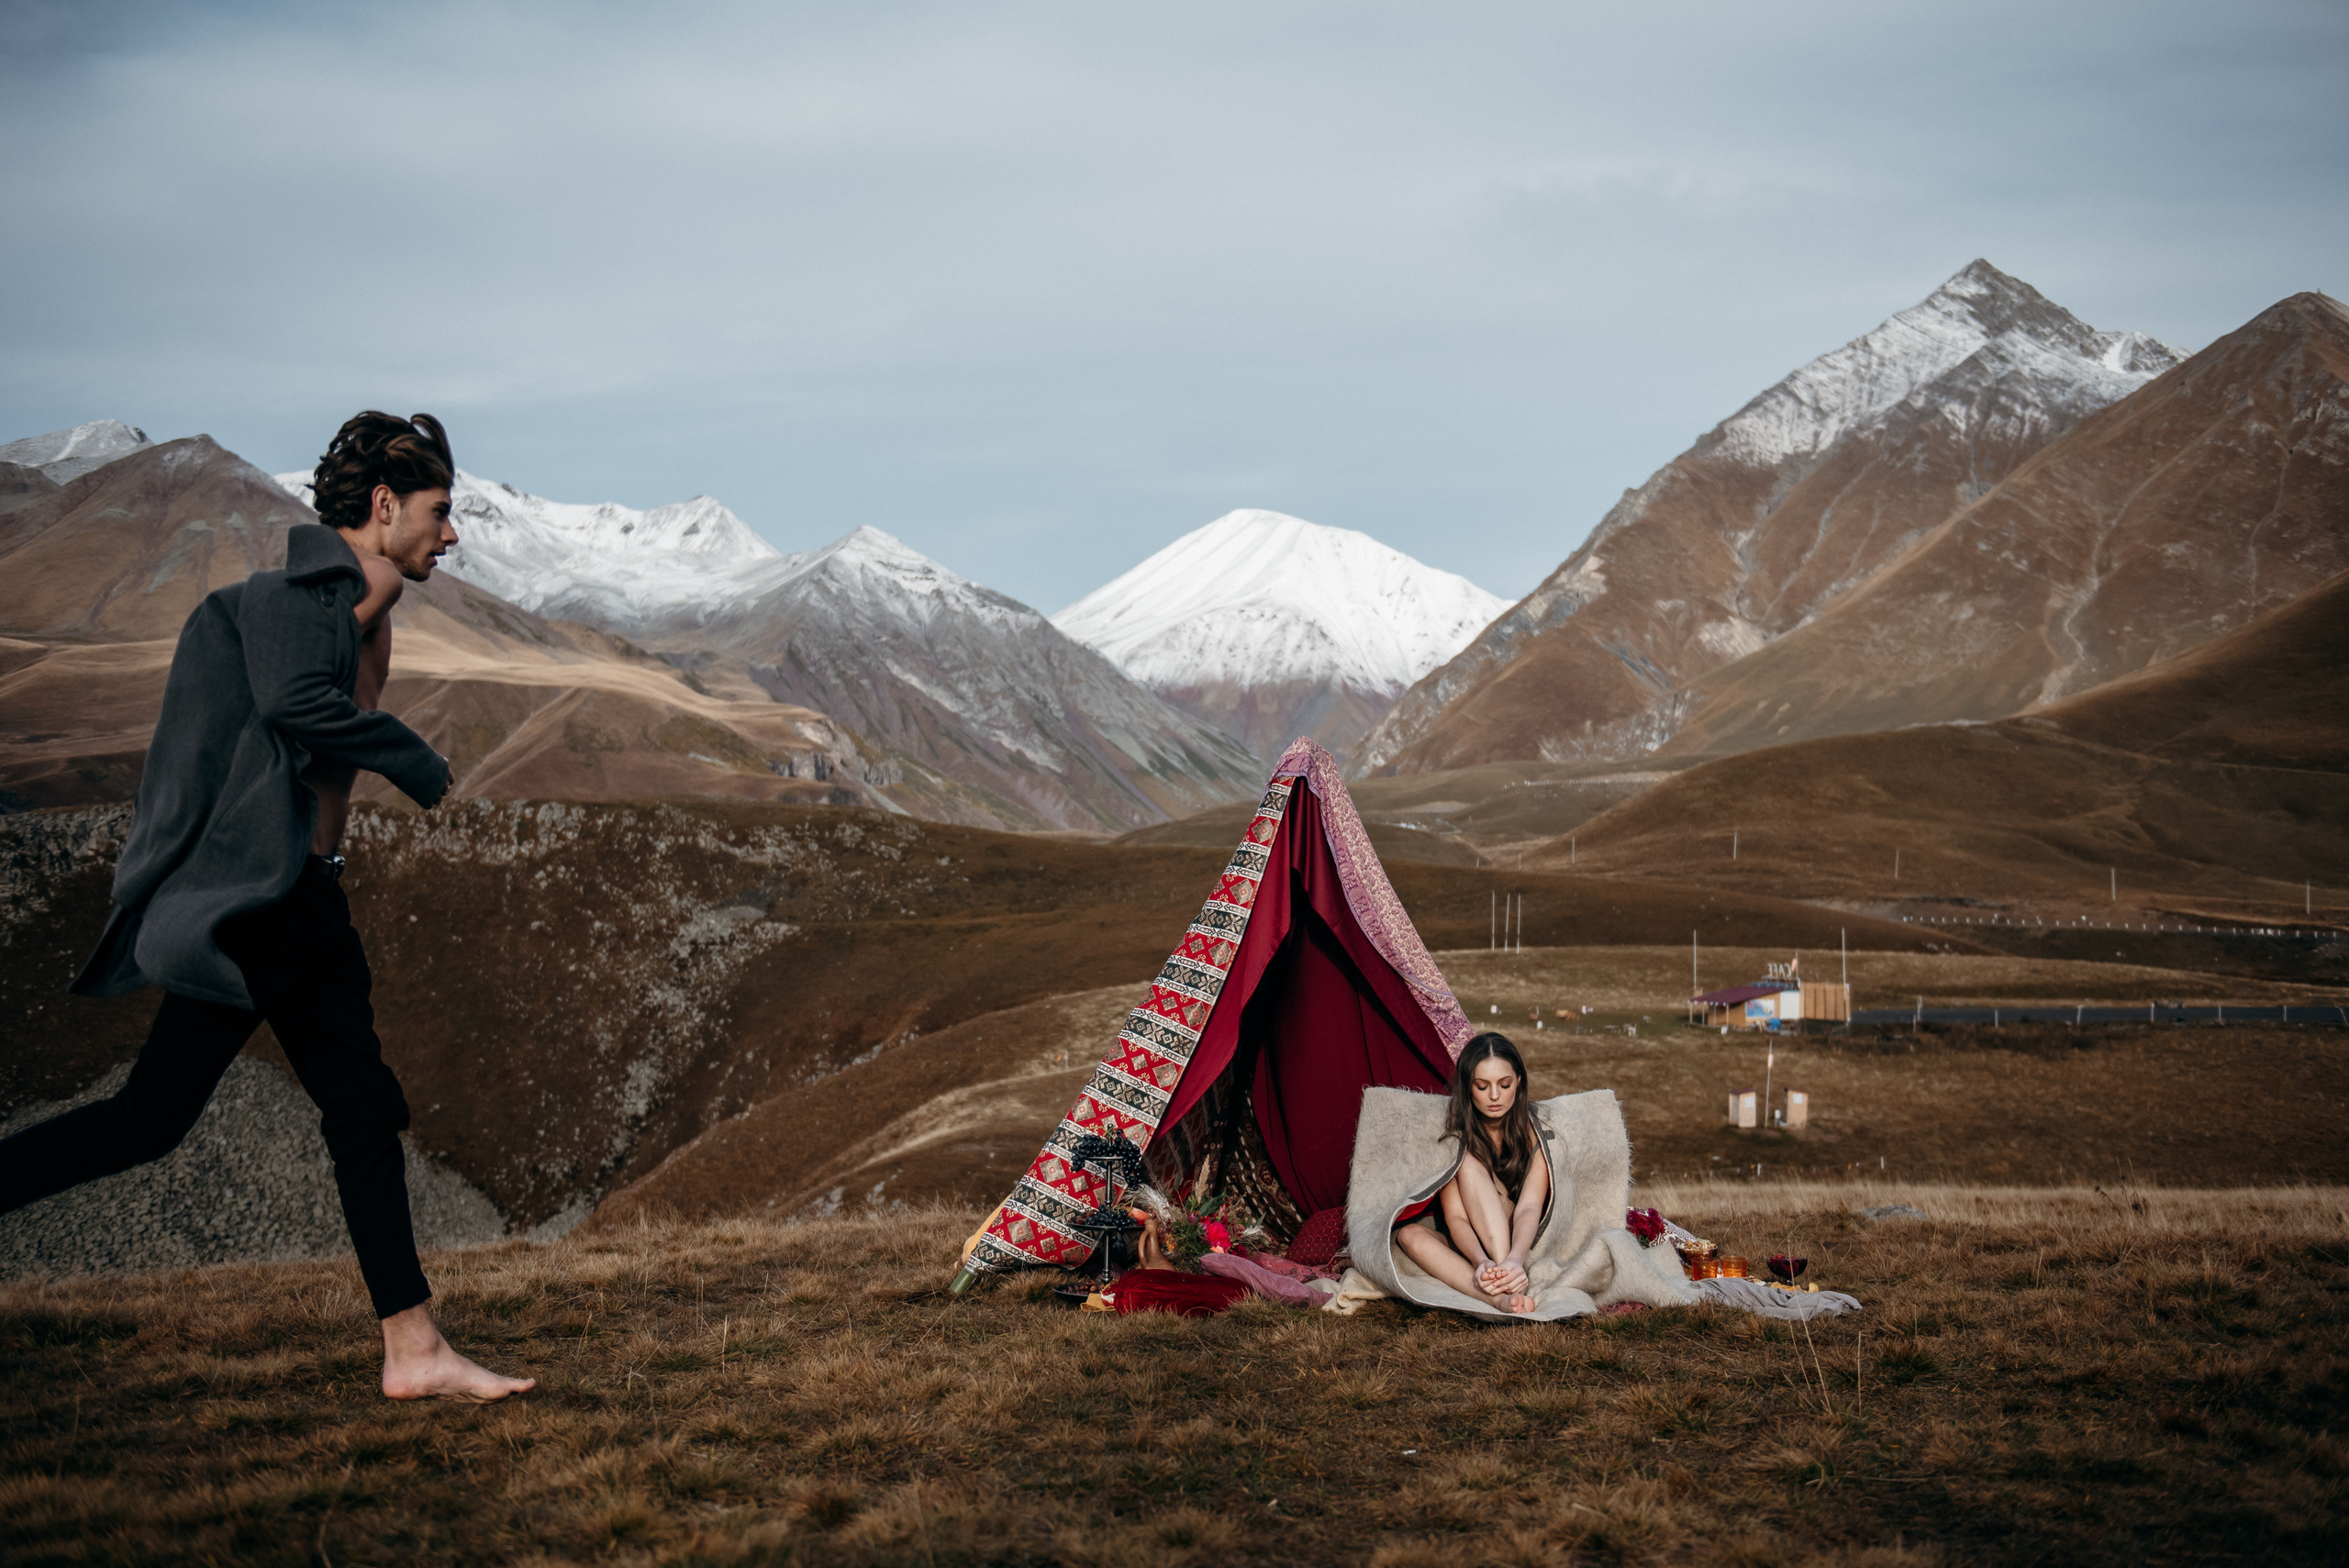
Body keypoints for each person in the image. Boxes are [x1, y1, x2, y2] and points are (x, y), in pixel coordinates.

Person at [0, 411, 533, 1402]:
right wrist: (414, 759)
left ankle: (414, 1351)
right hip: (263, 908)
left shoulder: (358, 599)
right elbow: (292, 700)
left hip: (305, 901)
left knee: (360, 1108)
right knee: (149, 1119)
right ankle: (413, 1348)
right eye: (440, 511)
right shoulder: (312, 595)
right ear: (385, 506)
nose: (452, 534)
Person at [1392, 1032, 1551, 1314]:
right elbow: (1456, 1218)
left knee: (1469, 1165)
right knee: (1409, 1235)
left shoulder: (1535, 1133)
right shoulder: (1456, 1139)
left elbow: (1529, 1207)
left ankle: (1508, 1282)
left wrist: (1515, 1259)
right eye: (1482, 1086)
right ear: (1467, 1087)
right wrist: (1480, 1261)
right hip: (1472, 1242)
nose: (1494, 1096)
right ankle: (1499, 1296)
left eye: (1504, 1085)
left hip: (1520, 1239)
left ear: (1518, 1082)